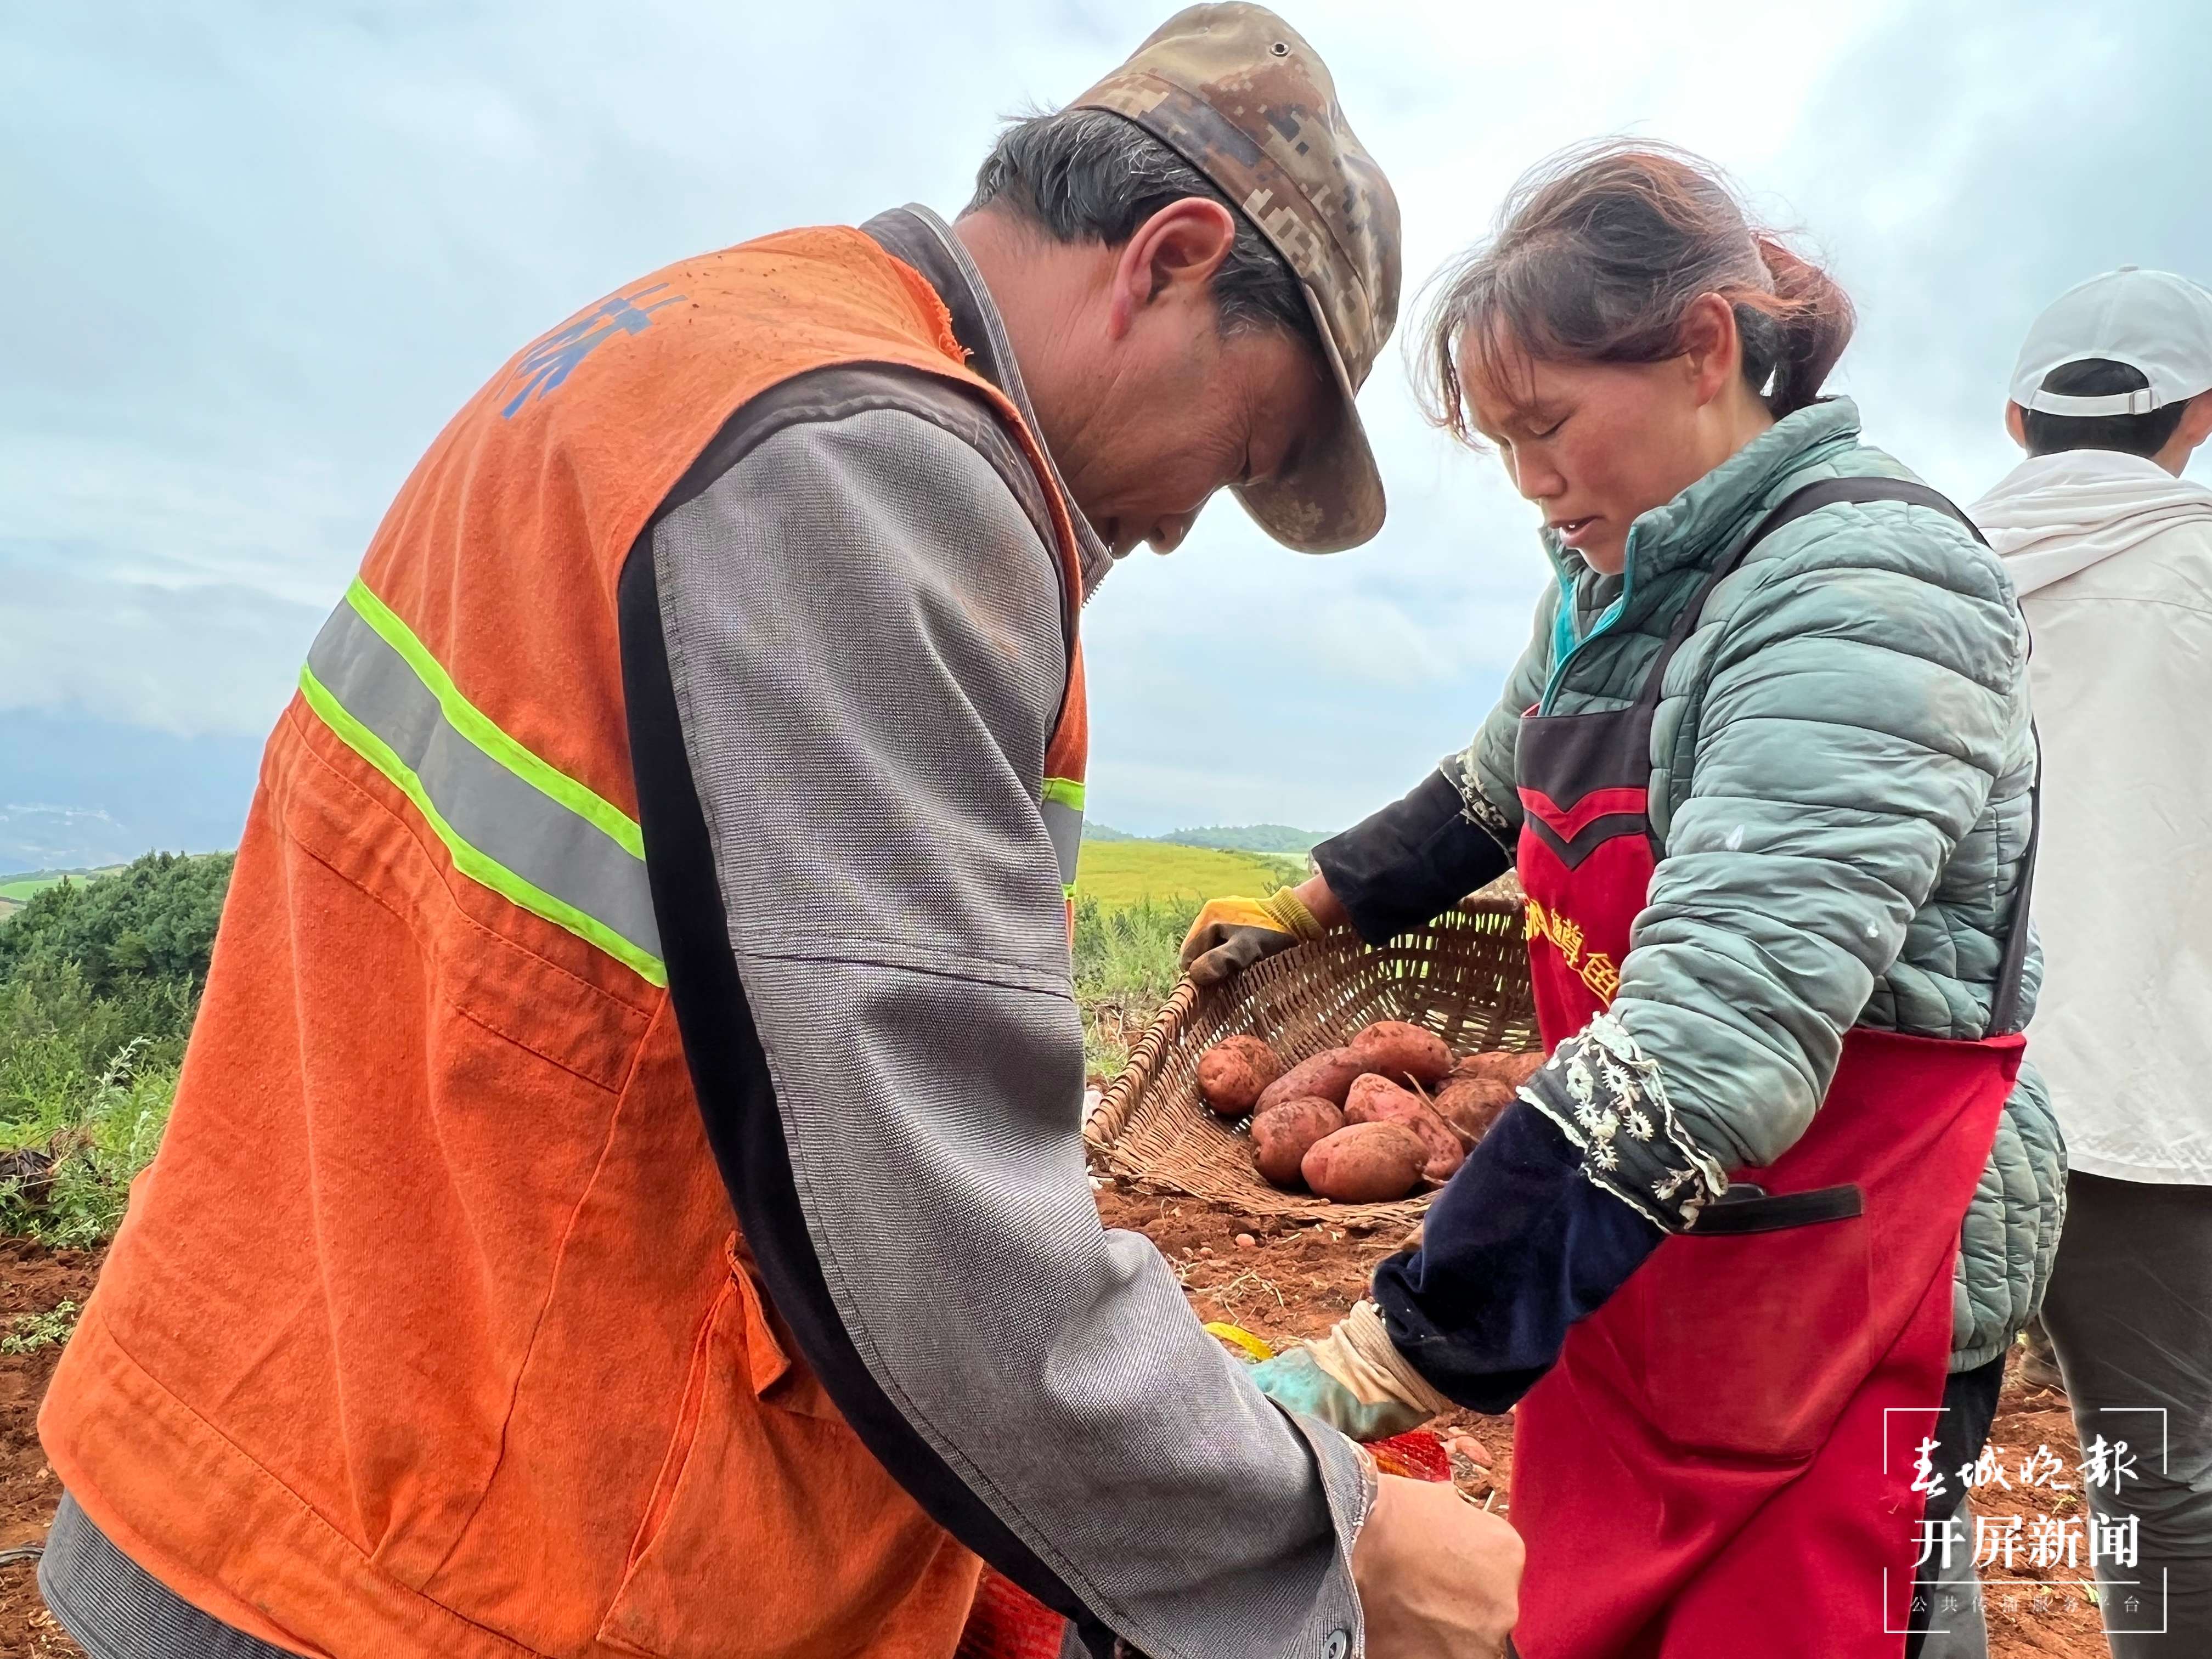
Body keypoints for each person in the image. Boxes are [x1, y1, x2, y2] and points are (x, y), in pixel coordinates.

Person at [34, 10, 1525, 1659]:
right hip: (459, 1566)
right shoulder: (877, 472)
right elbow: (935, 1249)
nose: (1179, 526)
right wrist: (1347, 1550)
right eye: (1237, 452)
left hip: (281, 1439)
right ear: (1168, 261)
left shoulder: (692, 339)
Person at [1183, 141, 2065, 1659]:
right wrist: (1311, 900)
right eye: (1502, 441)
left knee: (1848, 1612)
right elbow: (1491, 789)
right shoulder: (1599, 584)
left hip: (1850, 1268)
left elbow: (1716, 1035)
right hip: (1629, 1237)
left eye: (1547, 425)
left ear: (1706, 348)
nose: (1529, 477)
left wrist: (1388, 1354)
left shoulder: (1867, 587)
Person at [1968, 266, 2212, 1656]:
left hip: (1943, 1086)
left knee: (1917, 1467)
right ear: (2199, 417)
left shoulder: (1923, 558)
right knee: (2163, 1479)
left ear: (2015, 420)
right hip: (2146, 1098)